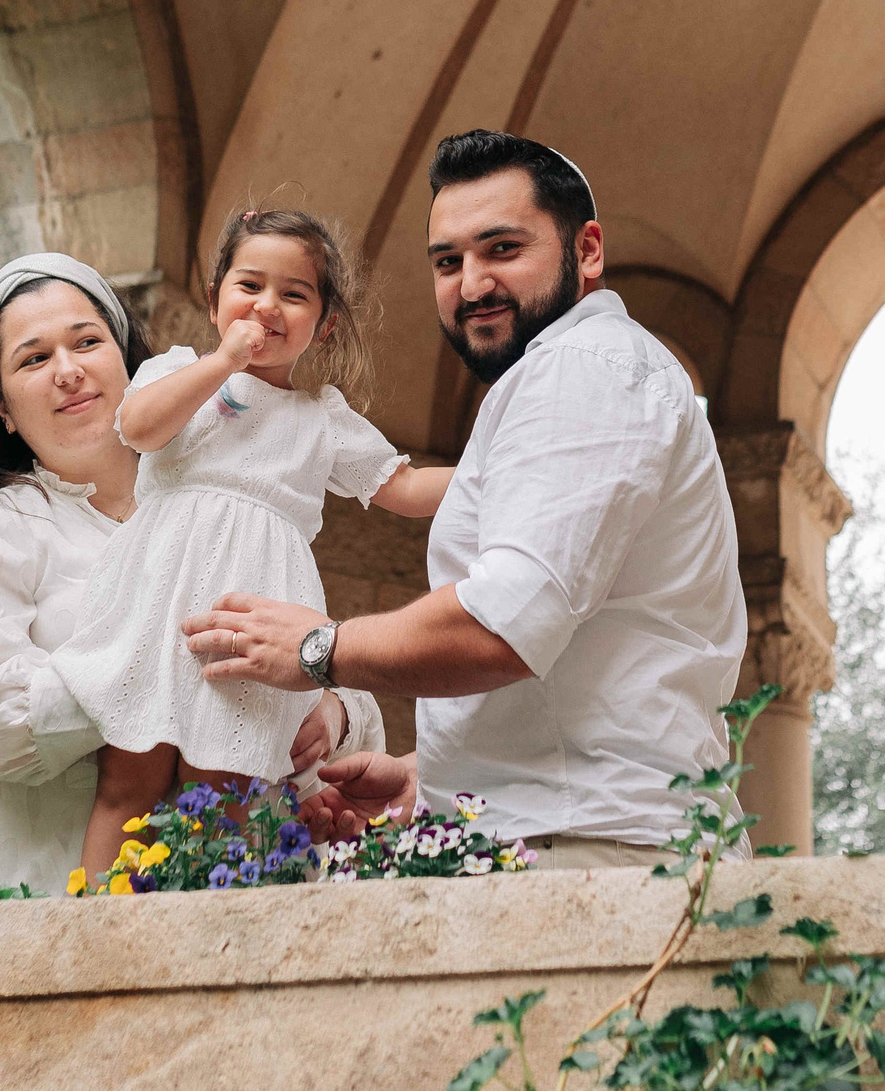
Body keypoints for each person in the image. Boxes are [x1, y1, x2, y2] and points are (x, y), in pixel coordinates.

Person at [180, 131, 747, 867]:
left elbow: (503, 625)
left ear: (588, 251)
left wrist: (319, 649)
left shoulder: (581, 369)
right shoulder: (571, 374)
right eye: (449, 262)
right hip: (563, 832)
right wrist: (431, 780)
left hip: (596, 853)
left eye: (502, 250)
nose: (472, 283)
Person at [0, 252, 385, 896]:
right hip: (53, 918)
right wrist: (138, 672)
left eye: (87, 342)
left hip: (241, 914)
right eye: (34, 359)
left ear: (132, 364)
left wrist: (329, 703)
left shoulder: (238, 506)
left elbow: (345, 713)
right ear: (4, 408)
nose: (69, 372)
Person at [50, 211, 454, 886]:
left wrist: (506, 466)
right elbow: (139, 427)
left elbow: (405, 487)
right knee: (128, 779)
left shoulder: (320, 415)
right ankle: (89, 931)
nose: (267, 306)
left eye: (294, 294)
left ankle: (203, 933)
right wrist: (223, 362)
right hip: (164, 604)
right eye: (249, 286)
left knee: (224, 787)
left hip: (250, 622)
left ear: (323, 323)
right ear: (214, 300)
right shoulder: (182, 370)